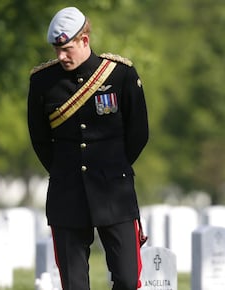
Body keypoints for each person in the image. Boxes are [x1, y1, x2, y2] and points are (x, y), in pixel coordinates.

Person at [27, 6, 149, 290]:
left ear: (85, 39)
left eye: (67, 48)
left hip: (114, 192)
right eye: (56, 50)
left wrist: (113, 166)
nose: (60, 56)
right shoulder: (43, 82)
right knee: (74, 285)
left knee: (128, 280)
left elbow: (138, 132)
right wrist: (63, 171)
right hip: (67, 192)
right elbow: (40, 139)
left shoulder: (120, 75)